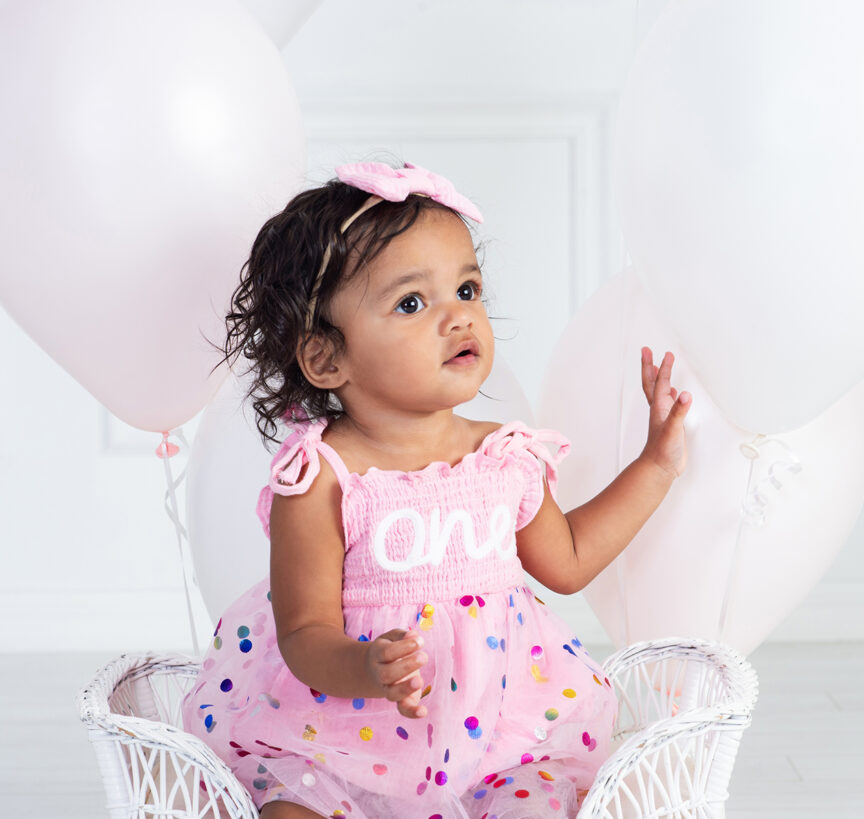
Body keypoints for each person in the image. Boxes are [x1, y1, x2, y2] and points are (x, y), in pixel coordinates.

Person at [182, 161, 692, 819]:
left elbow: (567, 561)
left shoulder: (503, 456)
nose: (458, 317)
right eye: (413, 302)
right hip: (343, 741)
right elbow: (304, 632)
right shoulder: (319, 479)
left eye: (468, 288)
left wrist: (656, 463)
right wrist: (366, 666)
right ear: (325, 358)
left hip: (499, 741)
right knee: (290, 813)